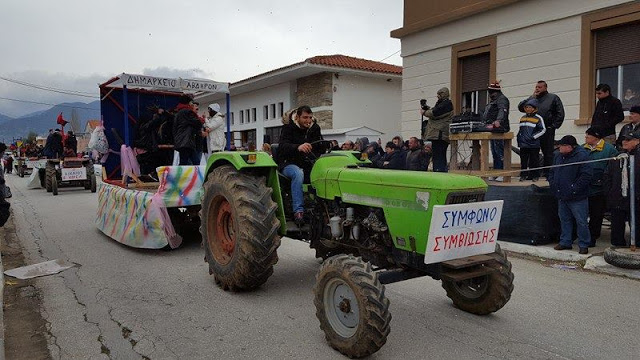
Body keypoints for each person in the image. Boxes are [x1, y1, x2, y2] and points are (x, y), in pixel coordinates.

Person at [277, 105, 323, 224]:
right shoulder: (288, 128)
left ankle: (322, 209)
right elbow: (282, 146)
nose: (308, 121)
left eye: (310, 117)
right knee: (298, 173)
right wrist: (298, 147)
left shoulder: (315, 128)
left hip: (308, 163)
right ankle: (298, 212)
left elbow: (319, 146)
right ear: (297, 117)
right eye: (305, 117)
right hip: (288, 164)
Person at [549, 135, 593, 254]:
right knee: (564, 219)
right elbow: (552, 171)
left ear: (569, 147)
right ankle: (565, 242)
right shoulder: (558, 156)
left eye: (561, 146)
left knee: (581, 221)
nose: (558, 148)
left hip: (577, 196)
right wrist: (553, 184)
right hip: (562, 195)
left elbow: (586, 176)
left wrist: (574, 188)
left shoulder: (583, 156)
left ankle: (584, 244)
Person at [517, 81, 565, 179]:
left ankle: (548, 173)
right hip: (532, 131)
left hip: (547, 129)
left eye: (539, 87)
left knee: (547, 152)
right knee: (532, 153)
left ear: (545, 88)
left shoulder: (553, 98)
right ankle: (532, 174)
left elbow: (560, 113)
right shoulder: (532, 98)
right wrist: (531, 97)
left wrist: (554, 126)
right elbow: (521, 107)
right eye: (536, 87)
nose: (537, 89)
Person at [582, 127, 618, 247]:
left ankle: (593, 237)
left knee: (596, 215)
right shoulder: (583, 148)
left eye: (588, 136)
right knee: (582, 214)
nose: (585, 138)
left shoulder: (609, 150)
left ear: (595, 137)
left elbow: (613, 169)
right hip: (585, 187)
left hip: (599, 189)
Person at [604, 131, 640, 247]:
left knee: (636, 224)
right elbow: (607, 176)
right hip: (617, 197)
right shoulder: (618, 157)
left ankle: (636, 246)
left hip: (635, 198)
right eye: (624, 140)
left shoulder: (637, 157)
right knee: (617, 226)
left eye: (628, 140)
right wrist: (609, 192)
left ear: (637, 141)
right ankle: (617, 246)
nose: (625, 142)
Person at [420, 87, 453, 172]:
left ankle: (439, 172)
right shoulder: (444, 104)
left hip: (440, 135)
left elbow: (435, 113)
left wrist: (424, 112)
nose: (437, 97)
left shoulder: (446, 104)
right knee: (439, 156)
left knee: (439, 156)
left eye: (439, 95)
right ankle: (439, 171)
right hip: (439, 135)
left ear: (442, 95)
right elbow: (435, 111)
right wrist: (428, 108)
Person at [483, 82, 510, 177]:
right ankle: (497, 173)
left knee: (499, 151)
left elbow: (502, 110)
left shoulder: (502, 100)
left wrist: (498, 121)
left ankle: (501, 173)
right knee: (494, 151)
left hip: (499, 129)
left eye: (491, 92)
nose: (490, 94)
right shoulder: (493, 100)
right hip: (493, 129)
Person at [516, 98, 546, 181]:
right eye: (526, 107)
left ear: (534, 108)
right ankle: (523, 175)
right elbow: (521, 130)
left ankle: (535, 175)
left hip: (533, 144)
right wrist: (519, 138)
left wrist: (533, 137)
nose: (528, 109)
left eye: (530, 107)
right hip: (523, 144)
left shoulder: (538, 118)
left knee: (534, 160)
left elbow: (543, 130)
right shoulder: (522, 118)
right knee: (523, 161)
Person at [173, 94, 207, 165]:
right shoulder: (188, 112)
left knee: (185, 161)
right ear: (188, 102)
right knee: (194, 162)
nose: (192, 104)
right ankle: (190, 175)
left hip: (181, 140)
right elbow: (198, 122)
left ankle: (183, 175)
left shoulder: (178, 113)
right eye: (191, 102)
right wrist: (202, 120)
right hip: (187, 141)